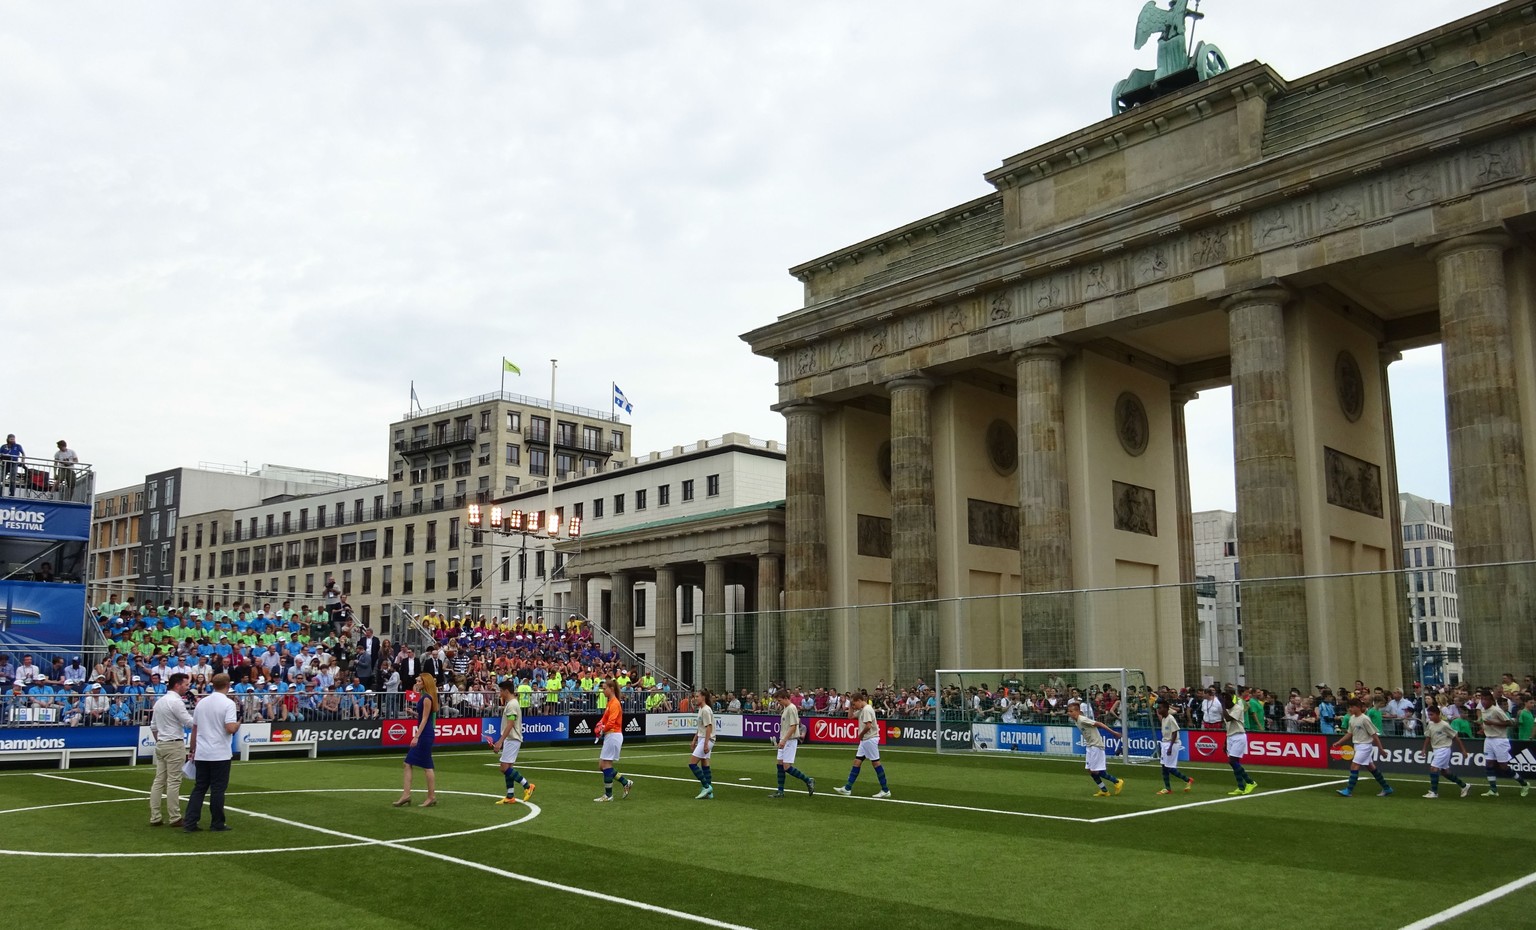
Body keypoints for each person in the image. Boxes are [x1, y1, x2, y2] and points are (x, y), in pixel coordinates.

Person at [184, 673, 239, 833]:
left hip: (202, 752)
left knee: (199, 788)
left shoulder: (202, 703)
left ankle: (190, 821)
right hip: (219, 753)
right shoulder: (228, 704)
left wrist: (192, 749)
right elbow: (230, 728)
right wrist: (238, 724)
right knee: (218, 789)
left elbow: (195, 729)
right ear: (227, 685)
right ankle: (217, 822)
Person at [148, 672, 195, 826]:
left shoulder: (160, 701)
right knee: (173, 781)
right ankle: (174, 817)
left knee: (159, 781)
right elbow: (189, 722)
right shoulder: (175, 702)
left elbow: (153, 726)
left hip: (162, 743)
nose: (187, 688)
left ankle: (155, 816)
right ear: (177, 685)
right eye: (186, 685)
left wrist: (159, 740)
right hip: (173, 743)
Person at [833, 690, 891, 799]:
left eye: (854, 704)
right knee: (857, 762)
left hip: (869, 739)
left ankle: (885, 789)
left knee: (876, 763)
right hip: (866, 740)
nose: (854, 707)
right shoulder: (862, 709)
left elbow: (868, 726)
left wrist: (861, 735)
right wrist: (850, 704)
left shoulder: (867, 710)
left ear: (859, 701)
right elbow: (850, 717)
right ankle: (847, 788)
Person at [1333, 697, 1393, 798]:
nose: (1350, 709)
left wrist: (1381, 749)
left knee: (1354, 766)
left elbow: (1374, 735)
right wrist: (1339, 742)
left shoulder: (1365, 719)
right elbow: (1350, 733)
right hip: (1358, 745)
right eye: (1349, 707)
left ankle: (1348, 790)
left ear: (1358, 707)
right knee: (1371, 767)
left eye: (1352, 707)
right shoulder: (1352, 718)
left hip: (1365, 746)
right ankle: (1387, 788)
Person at [394, 672, 439, 807]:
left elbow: (425, 719)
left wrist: (416, 736)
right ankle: (407, 794)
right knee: (409, 763)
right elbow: (423, 716)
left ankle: (430, 796)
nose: (416, 683)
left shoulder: (426, 698)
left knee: (426, 766)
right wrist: (413, 713)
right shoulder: (426, 697)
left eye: (419, 681)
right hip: (425, 733)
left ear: (424, 683)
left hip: (424, 734)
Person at [488, 680, 534, 805]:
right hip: (512, 739)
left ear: (506, 691)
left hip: (512, 739)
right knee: (508, 768)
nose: (499, 693)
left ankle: (527, 786)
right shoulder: (512, 703)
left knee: (503, 768)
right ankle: (510, 796)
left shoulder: (512, 705)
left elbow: (510, 724)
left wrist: (499, 741)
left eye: (501, 691)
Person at [1477, 690, 1530, 797]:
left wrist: (1493, 723)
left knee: (1503, 766)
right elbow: (1487, 723)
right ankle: (1493, 790)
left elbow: (1509, 723)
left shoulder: (1496, 710)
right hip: (1488, 740)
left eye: (1486, 699)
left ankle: (1524, 783)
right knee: (1488, 764)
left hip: (1500, 740)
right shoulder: (1483, 710)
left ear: (1491, 701)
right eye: (1482, 699)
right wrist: (1484, 729)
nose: (1483, 701)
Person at [1069, 700, 1124, 796]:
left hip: (1096, 746)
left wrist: (1114, 733)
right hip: (1090, 746)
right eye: (1068, 711)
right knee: (1090, 770)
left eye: (1071, 711)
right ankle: (1104, 790)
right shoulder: (1077, 720)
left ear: (1077, 711)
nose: (1069, 713)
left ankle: (1117, 781)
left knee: (1095, 770)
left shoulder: (1081, 719)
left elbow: (1099, 724)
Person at [594, 679, 634, 802]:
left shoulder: (615, 703)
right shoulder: (610, 702)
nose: (603, 691)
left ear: (611, 689)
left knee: (606, 765)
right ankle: (625, 782)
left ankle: (608, 795)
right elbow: (605, 719)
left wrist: (602, 729)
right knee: (602, 765)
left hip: (613, 735)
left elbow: (611, 722)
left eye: (604, 688)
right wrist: (600, 724)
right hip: (611, 735)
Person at [1420, 704, 1472, 799]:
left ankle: (1434, 792)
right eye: (1429, 715)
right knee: (1445, 772)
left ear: (1438, 714)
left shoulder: (1445, 725)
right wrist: (1424, 749)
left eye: (1431, 714)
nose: (1430, 717)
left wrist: (1463, 751)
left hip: (1444, 749)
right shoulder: (1430, 724)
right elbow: (1428, 737)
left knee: (1433, 768)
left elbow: (1456, 738)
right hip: (1436, 750)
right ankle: (1464, 786)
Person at [771, 690, 814, 799]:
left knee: (786, 766)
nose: (778, 702)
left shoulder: (791, 708)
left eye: (779, 700)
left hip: (790, 740)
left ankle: (808, 780)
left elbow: (793, 726)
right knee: (779, 764)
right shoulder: (786, 708)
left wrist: (784, 740)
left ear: (785, 698)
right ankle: (780, 791)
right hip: (784, 739)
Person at [1223, 688, 1258, 796]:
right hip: (1230, 736)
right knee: (1235, 763)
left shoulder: (1237, 708)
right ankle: (1240, 787)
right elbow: (1228, 726)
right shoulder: (1227, 710)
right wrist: (1225, 741)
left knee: (1232, 761)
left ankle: (1250, 782)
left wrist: (1222, 708)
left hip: (1239, 736)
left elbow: (1229, 719)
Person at [1155, 700, 1194, 795]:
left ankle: (1187, 779)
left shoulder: (1171, 718)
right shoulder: (1164, 718)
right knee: (1164, 767)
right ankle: (1168, 788)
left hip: (1171, 744)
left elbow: (1174, 732)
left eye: (1160, 708)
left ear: (1166, 709)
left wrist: (1170, 747)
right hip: (1165, 743)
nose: (1158, 709)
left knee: (1169, 767)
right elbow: (1159, 714)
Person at [687, 688, 716, 800]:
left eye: (697, 696)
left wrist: (705, 744)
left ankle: (706, 786)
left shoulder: (706, 710)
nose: (695, 698)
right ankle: (709, 793)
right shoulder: (701, 709)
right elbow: (701, 727)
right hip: (703, 738)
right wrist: (694, 740)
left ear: (703, 697)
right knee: (705, 764)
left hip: (706, 739)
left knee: (692, 764)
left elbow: (709, 727)